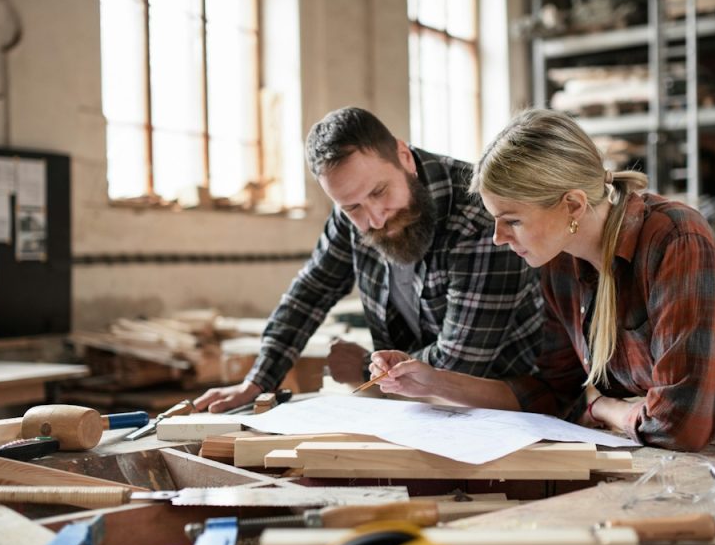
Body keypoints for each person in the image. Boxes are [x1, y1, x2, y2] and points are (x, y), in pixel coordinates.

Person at [370, 108, 715, 455]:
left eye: (511, 221)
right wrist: (430, 381)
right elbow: (555, 393)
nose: (498, 238)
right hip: (709, 456)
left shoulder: (676, 238)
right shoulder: (559, 263)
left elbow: (680, 424)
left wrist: (607, 411)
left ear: (574, 206)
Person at [193, 107, 543, 413]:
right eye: (353, 207)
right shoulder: (351, 215)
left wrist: (364, 370)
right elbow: (310, 293)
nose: (375, 218)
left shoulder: (479, 215)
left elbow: (458, 367)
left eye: (379, 192)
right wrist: (258, 381)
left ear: (404, 157)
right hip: (419, 405)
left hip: (513, 407)